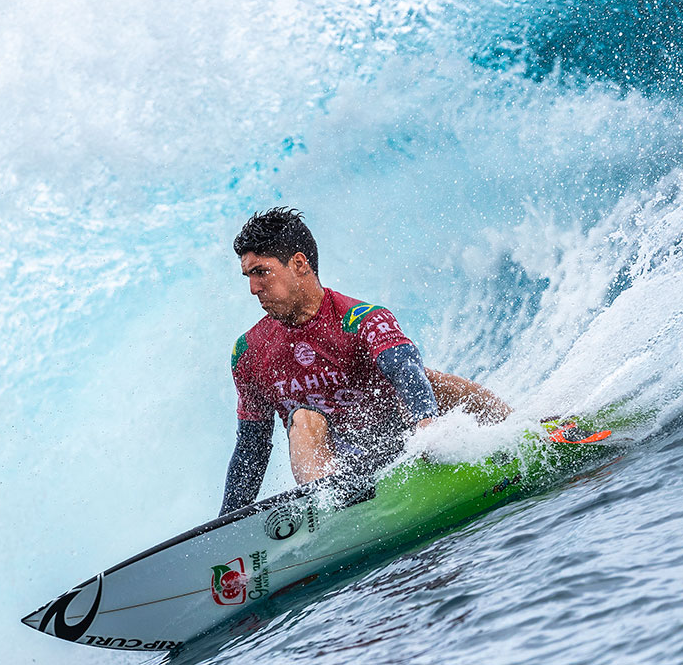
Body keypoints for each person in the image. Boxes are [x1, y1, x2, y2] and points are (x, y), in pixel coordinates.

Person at [220, 208, 513, 516]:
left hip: (405, 447)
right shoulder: (249, 352)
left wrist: (428, 427)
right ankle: (329, 508)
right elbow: (251, 449)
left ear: (299, 264)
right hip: (342, 477)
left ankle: (521, 430)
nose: (253, 288)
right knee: (304, 418)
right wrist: (224, 529)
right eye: (248, 276)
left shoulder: (361, 319)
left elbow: (403, 366)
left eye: (261, 272)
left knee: (432, 379)